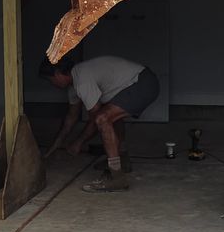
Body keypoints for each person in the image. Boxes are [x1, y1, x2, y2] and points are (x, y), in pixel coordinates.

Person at [42, 52, 159, 191]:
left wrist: (79, 142)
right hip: (141, 81)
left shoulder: (82, 79)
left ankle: (117, 177)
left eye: (51, 80)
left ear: (58, 74)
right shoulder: (74, 85)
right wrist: (52, 149)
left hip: (143, 83)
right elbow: (70, 119)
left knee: (103, 119)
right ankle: (121, 159)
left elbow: (96, 118)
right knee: (111, 117)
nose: (52, 84)